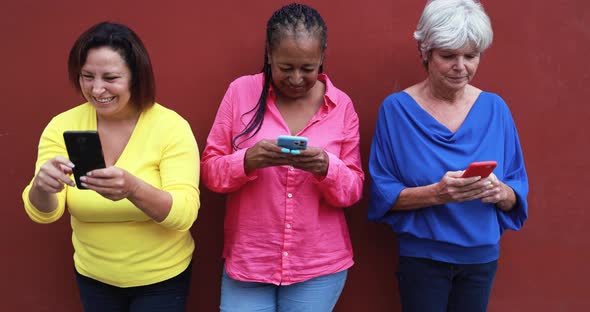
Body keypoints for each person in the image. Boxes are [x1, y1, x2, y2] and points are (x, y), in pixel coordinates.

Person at [22, 22, 200, 311]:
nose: (97, 89)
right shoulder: (62, 126)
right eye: (87, 76)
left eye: (111, 77)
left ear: (135, 77)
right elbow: (46, 213)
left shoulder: (171, 127)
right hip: (93, 277)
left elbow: (184, 214)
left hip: (161, 279)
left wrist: (133, 188)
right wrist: (41, 187)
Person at [201, 3, 364, 311]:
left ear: (322, 58)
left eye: (308, 68)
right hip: (251, 260)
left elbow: (353, 189)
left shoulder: (340, 105)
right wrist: (247, 160)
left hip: (317, 264)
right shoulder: (240, 93)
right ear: (269, 56)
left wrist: (326, 167)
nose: (297, 78)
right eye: (285, 68)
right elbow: (210, 172)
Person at [367, 0, 529, 311]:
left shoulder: (496, 109)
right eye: (448, 55)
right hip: (422, 258)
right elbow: (382, 194)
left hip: (480, 258)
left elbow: (516, 193)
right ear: (425, 53)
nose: (461, 66)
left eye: (471, 56)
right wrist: (438, 193)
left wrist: (500, 191)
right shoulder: (396, 111)